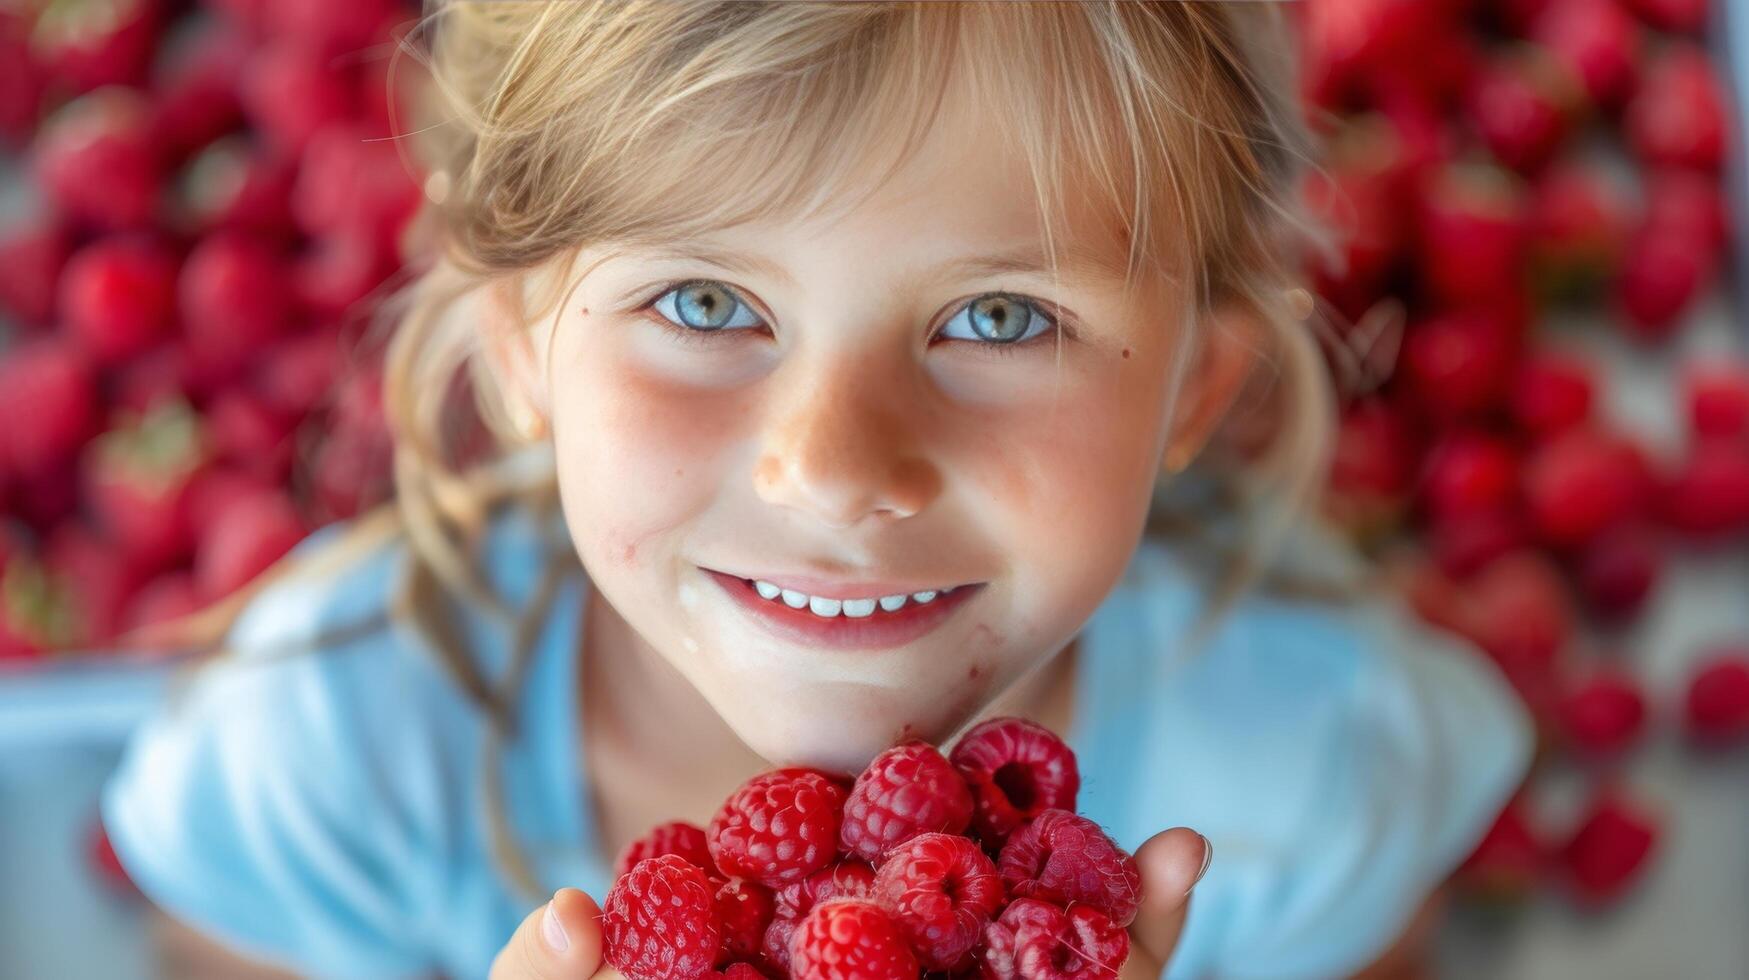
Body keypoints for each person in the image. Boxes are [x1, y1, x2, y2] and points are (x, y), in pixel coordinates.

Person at [101, 3, 1532, 979]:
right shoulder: (327, 754)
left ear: (1196, 390)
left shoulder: (1306, 775)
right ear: (519, 345)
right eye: (709, 302)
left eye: (998, 319)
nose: (835, 469)